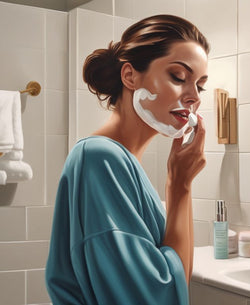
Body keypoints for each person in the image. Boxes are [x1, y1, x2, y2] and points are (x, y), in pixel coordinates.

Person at [45, 15, 209, 304]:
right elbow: (159, 295)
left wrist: (180, 182)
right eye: (179, 77)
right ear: (130, 76)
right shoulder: (100, 158)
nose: (193, 97)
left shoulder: (121, 160)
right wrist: (180, 185)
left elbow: (172, 283)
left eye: (200, 85)